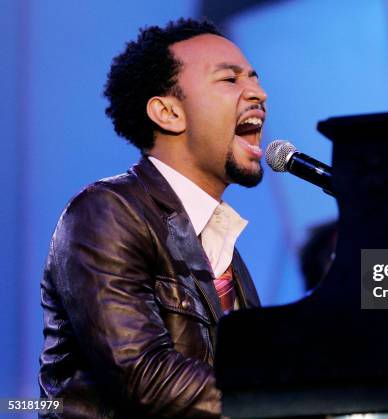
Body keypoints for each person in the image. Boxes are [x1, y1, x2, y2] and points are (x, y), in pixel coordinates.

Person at [39, 18, 266, 418]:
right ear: (168, 113)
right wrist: (290, 395)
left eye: (254, 78)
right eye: (230, 80)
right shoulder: (105, 212)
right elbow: (145, 376)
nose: (258, 93)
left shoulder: (218, 242)